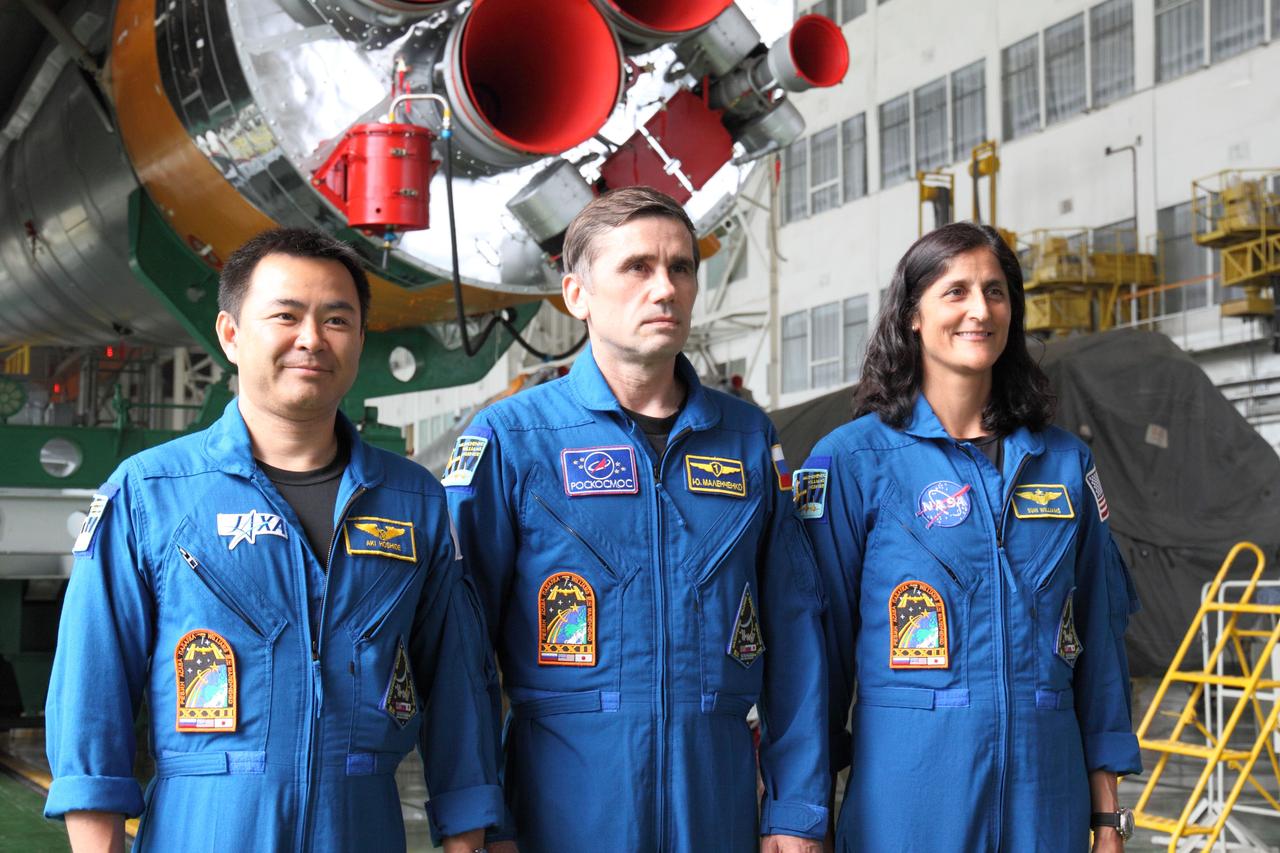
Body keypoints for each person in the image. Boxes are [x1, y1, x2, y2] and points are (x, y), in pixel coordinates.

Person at [44, 228, 501, 852]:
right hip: (203, 827)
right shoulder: (152, 494)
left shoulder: (414, 500)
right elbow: (92, 691)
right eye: (285, 315)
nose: (311, 338)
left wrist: (467, 839)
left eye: (337, 319)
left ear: (361, 339)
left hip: (361, 825)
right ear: (231, 335)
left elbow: (456, 690)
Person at [445, 186, 828, 853]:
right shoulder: (513, 439)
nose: (666, 288)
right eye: (637, 268)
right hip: (563, 801)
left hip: (716, 798)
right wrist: (480, 816)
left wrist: (795, 807)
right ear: (576, 293)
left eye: (681, 268)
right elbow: (461, 646)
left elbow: (794, 629)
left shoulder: (743, 437)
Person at [800, 222, 1142, 852]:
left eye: (995, 291)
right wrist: (801, 815)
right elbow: (816, 656)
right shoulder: (851, 461)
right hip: (909, 803)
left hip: (1048, 799)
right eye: (955, 292)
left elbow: (1099, 639)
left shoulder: (1065, 463)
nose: (980, 310)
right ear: (911, 316)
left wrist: (1106, 817)